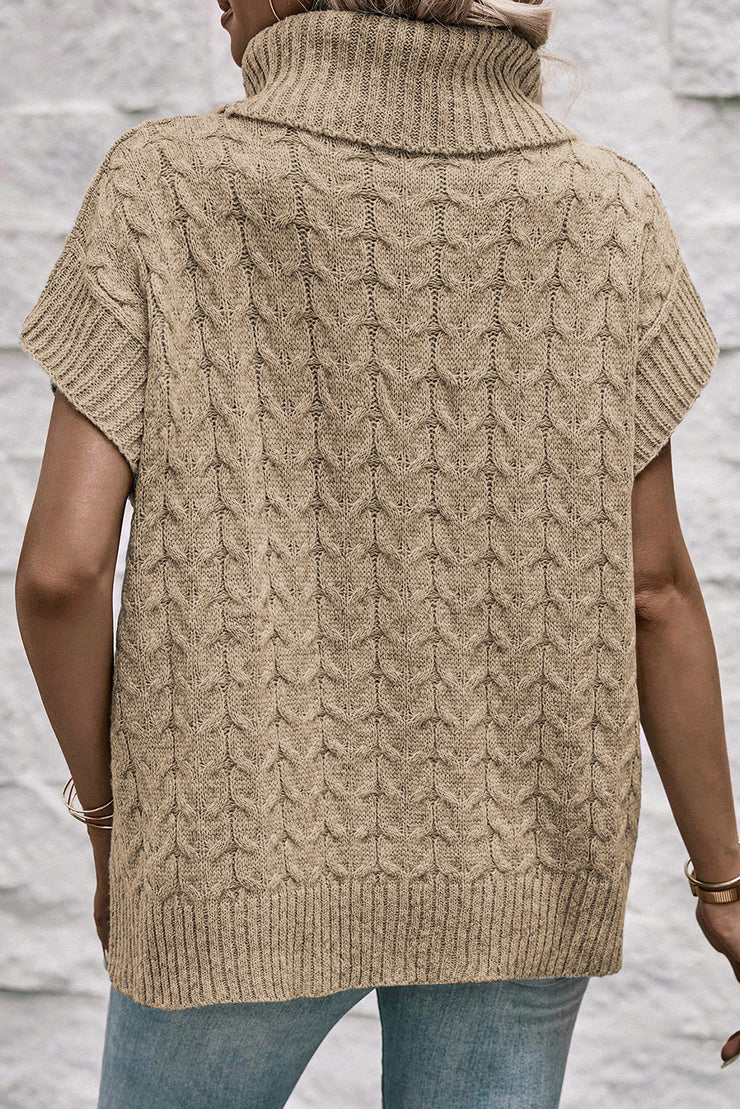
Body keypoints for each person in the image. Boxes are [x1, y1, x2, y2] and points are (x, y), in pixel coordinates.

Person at [13, 0, 738, 1105]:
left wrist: (118, 826)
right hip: (520, 871)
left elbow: (60, 575)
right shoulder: (607, 211)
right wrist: (724, 882)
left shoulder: (165, 186)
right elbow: (653, 587)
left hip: (226, 861)